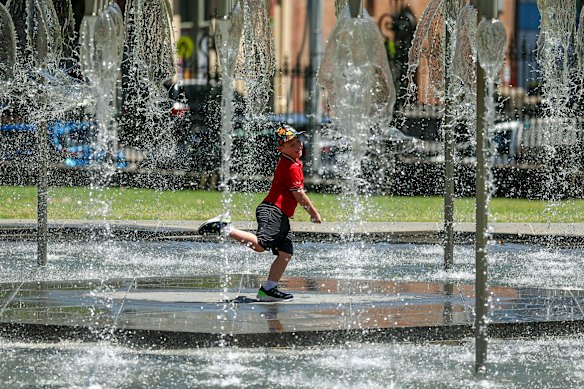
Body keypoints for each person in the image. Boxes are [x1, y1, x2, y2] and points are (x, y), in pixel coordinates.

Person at [198, 124, 322, 301]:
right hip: (273, 211)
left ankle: (268, 289)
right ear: (281, 149)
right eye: (292, 144)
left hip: (279, 214)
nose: (298, 146)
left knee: (285, 253)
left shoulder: (293, 163)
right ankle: (225, 228)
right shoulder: (291, 167)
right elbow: (299, 194)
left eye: (298, 142)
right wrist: (313, 213)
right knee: (261, 245)